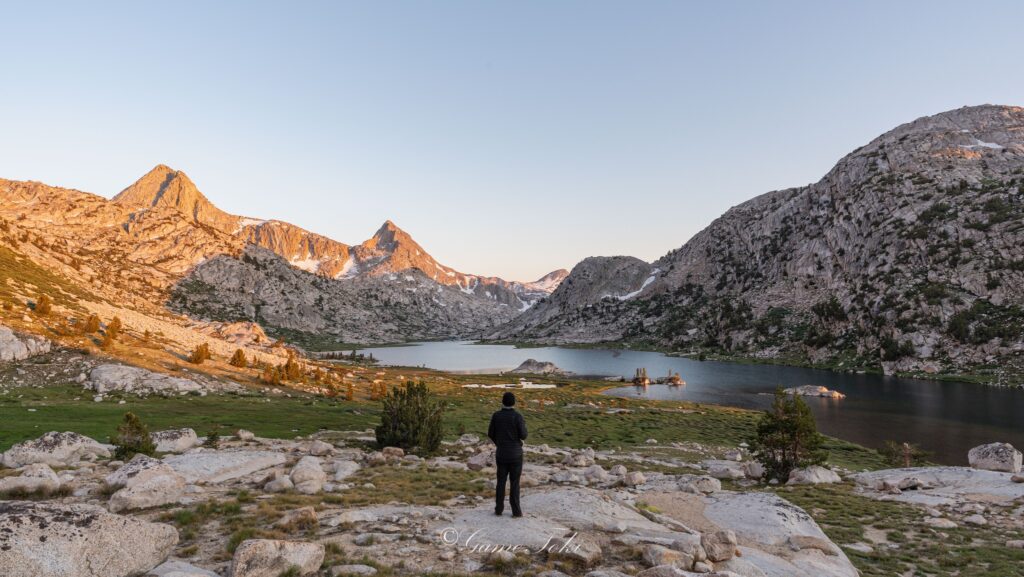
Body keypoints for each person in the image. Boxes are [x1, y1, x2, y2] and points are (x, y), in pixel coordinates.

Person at [487, 391, 528, 517]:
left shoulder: (496, 416)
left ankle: (499, 509)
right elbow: (524, 435)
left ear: (502, 402)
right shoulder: (517, 416)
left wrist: (499, 443)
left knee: (501, 482)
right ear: (514, 403)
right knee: (514, 483)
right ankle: (516, 511)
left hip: (502, 454)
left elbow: (490, 433)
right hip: (516, 454)